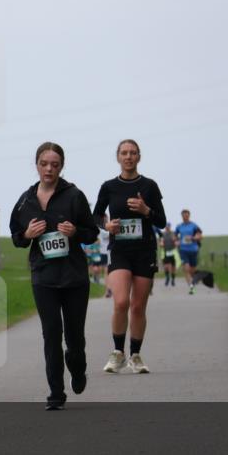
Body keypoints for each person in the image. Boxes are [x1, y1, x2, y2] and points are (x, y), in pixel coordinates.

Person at [10, 142, 99, 410]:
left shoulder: (74, 196)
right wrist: (27, 234)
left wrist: (75, 232)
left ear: (62, 166)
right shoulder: (26, 200)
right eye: (44, 164)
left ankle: (78, 367)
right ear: (36, 165)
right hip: (43, 277)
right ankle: (56, 394)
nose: (49, 169)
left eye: (55, 164)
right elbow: (16, 237)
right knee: (51, 334)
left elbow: (91, 232)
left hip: (73, 277)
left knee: (73, 337)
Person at [93, 139, 166, 375]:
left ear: (139, 157)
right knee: (121, 301)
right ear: (118, 157)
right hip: (120, 250)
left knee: (137, 306)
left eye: (133, 153)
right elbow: (95, 217)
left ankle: (135, 355)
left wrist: (146, 211)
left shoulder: (150, 186)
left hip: (144, 251)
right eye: (124, 153)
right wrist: (107, 225)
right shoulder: (108, 186)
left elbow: (161, 221)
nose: (128, 157)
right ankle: (117, 353)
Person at [174, 209, 203, 294]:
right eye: (183, 215)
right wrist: (176, 241)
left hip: (193, 250)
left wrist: (193, 238)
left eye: (186, 215)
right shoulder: (179, 226)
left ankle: (193, 280)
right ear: (182, 216)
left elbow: (200, 236)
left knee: (192, 270)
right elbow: (175, 237)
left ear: (189, 216)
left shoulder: (194, 226)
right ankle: (191, 287)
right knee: (186, 269)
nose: (185, 217)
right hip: (183, 250)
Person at [159, 222, 177, 286]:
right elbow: (160, 242)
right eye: (166, 226)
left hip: (173, 252)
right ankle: (167, 277)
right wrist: (161, 243)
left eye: (168, 226)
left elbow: (176, 241)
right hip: (165, 252)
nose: (167, 227)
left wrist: (175, 241)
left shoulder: (173, 233)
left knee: (173, 267)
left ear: (170, 227)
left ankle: (173, 279)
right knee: (166, 266)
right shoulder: (163, 234)